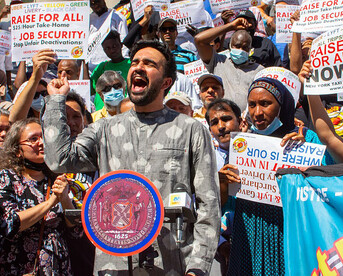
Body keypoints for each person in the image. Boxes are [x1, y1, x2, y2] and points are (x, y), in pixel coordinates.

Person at [41, 40, 220, 275]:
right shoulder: (103, 129)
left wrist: (198, 266)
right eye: (135, 62)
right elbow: (59, 160)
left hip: (171, 263)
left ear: (166, 81)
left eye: (149, 63)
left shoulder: (191, 130)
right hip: (114, 264)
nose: (138, 67)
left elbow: (209, 203)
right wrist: (55, 101)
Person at [223, 77, 334, 275]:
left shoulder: (306, 140)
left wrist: (307, 153)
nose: (257, 112)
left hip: (292, 233)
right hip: (251, 234)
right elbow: (230, 202)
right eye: (252, 105)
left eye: (265, 104)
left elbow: (328, 185)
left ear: (282, 105)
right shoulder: (243, 145)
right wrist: (223, 182)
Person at [0, 118, 80, 275]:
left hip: (58, 268)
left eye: (43, 137)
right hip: (21, 268)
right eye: (33, 139)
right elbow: (10, 224)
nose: (41, 143)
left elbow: (77, 231)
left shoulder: (56, 179)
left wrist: (64, 200)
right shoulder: (7, 178)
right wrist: (50, 203)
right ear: (17, 150)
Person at [195, 17, 264, 111]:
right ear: (230, 46)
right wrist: (230, 26)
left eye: (245, 48)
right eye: (237, 46)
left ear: (250, 50)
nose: (240, 50)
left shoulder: (259, 70)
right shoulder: (218, 62)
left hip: (247, 122)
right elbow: (199, 40)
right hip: (221, 118)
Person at [90, 30, 131, 110]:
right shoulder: (101, 67)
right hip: (102, 113)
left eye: (114, 46)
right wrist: (84, 62)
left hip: (123, 111)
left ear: (121, 45)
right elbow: (90, 90)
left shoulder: (131, 64)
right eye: (107, 48)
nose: (112, 50)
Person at [88, 0, 129, 73]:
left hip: (111, 65)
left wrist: (123, 64)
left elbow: (124, 42)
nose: (95, 6)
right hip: (92, 69)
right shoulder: (89, 19)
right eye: (91, 4)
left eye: (97, 2)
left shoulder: (117, 17)